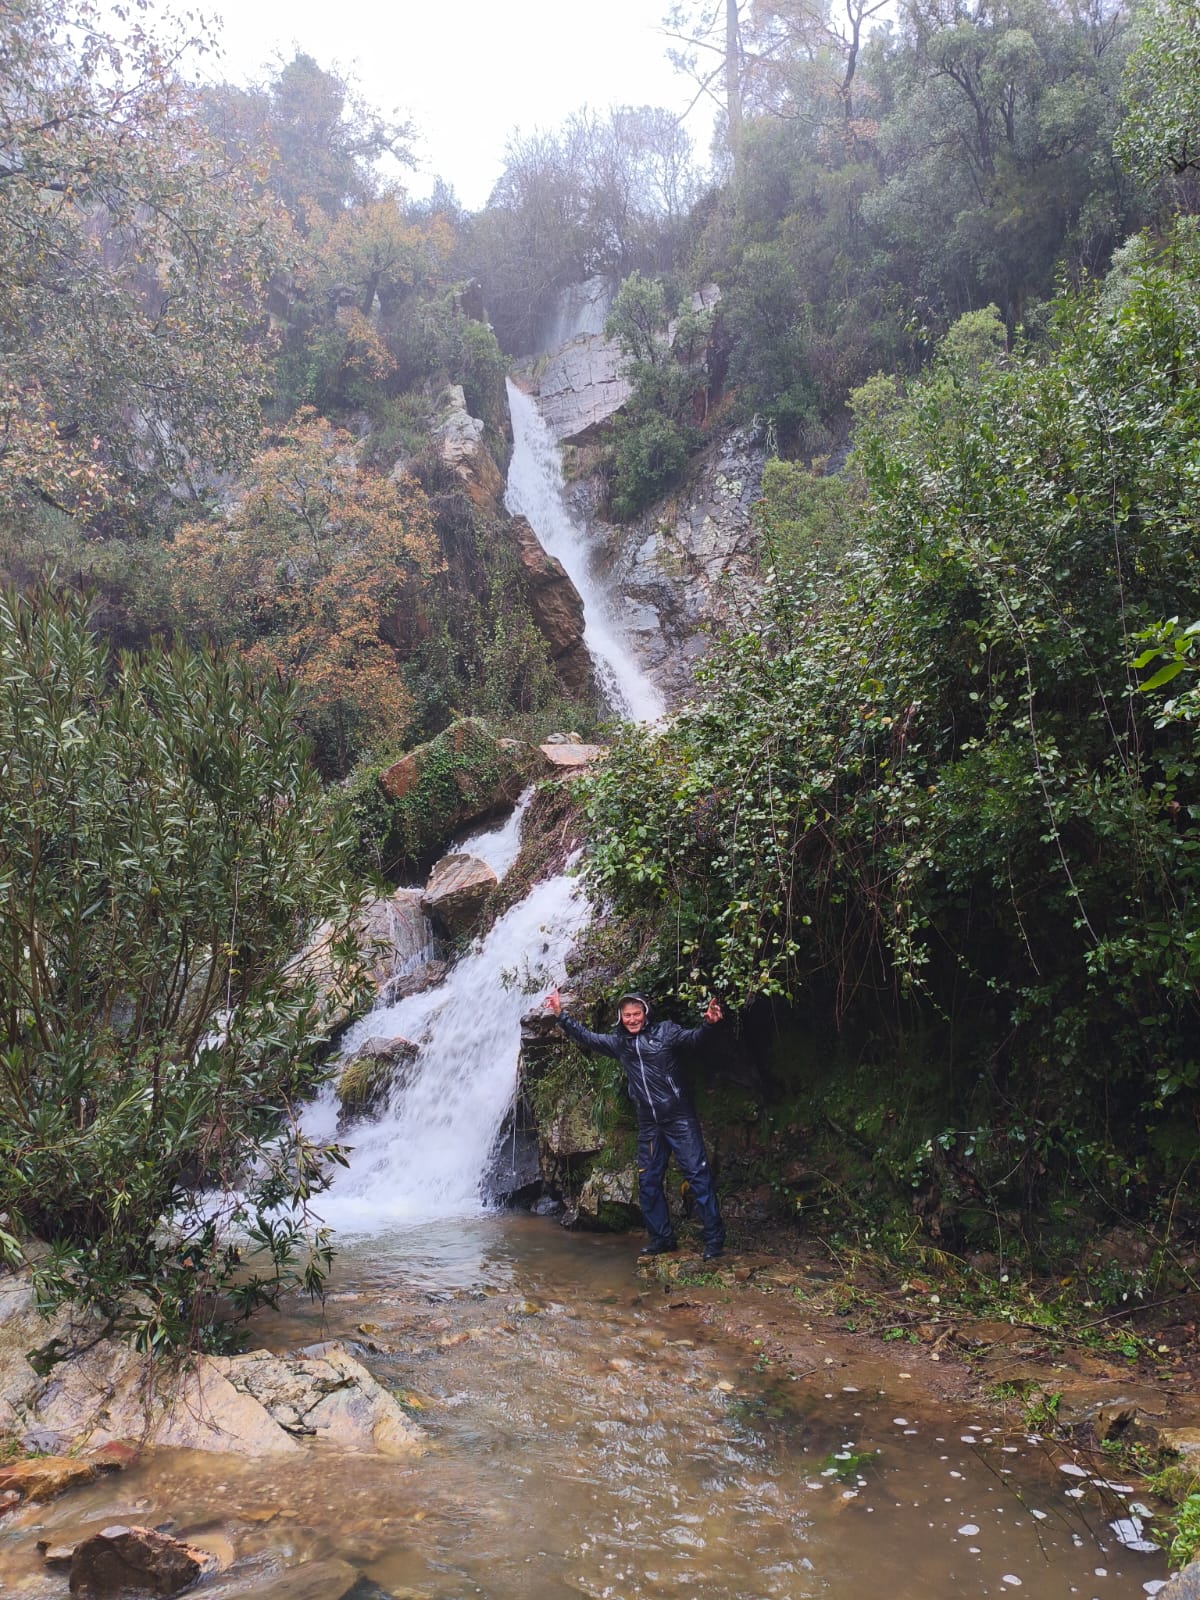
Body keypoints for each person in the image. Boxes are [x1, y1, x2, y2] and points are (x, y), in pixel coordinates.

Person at [544, 988, 726, 1260]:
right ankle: (662, 1239)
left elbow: (695, 1039)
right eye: (627, 1015)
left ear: (645, 1013)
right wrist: (560, 1014)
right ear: (621, 1017)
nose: (632, 1020)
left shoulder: (665, 1032)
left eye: (636, 1014)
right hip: (649, 1124)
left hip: (679, 1118)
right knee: (649, 1182)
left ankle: (714, 1240)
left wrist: (709, 1024)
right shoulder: (620, 1044)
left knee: (698, 1177)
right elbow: (587, 1037)